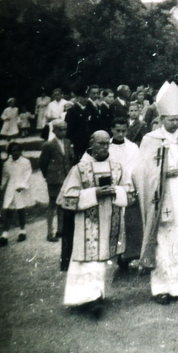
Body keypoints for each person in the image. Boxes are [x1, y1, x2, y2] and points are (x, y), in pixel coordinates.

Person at [133, 82, 178, 304]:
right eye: (170, 119)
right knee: (163, 241)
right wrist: (162, 173)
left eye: (177, 119)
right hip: (161, 198)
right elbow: (140, 171)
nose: (175, 123)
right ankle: (161, 288)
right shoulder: (150, 140)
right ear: (161, 119)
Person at [57, 130, 131, 317]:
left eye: (107, 144)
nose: (104, 147)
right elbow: (68, 198)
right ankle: (88, 298)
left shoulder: (117, 167)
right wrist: (94, 193)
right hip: (87, 221)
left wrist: (115, 191)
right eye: (100, 143)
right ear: (91, 143)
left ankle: (96, 295)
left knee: (101, 260)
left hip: (109, 218)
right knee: (88, 262)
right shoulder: (80, 168)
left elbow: (129, 192)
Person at [108, 117, 141, 269]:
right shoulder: (106, 148)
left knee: (129, 224)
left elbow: (137, 169)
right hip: (111, 191)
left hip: (128, 190)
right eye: (117, 131)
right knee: (113, 225)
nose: (120, 134)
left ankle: (128, 255)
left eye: (123, 131)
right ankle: (115, 254)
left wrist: (135, 189)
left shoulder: (133, 148)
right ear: (112, 130)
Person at [39, 121, 75, 242]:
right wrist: (48, 176)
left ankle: (61, 229)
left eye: (65, 130)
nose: (63, 132)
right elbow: (42, 163)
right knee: (53, 204)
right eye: (60, 130)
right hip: (54, 179)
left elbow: (71, 159)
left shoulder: (68, 142)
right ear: (54, 131)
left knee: (62, 204)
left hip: (66, 178)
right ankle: (50, 232)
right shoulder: (49, 145)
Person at [0, 142, 34, 246]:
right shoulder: (7, 163)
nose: (15, 152)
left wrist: (22, 185)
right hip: (11, 189)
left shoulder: (25, 162)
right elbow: (5, 176)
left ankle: (22, 231)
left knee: (21, 210)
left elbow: (28, 174)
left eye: (17, 150)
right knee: (8, 210)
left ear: (21, 151)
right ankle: (5, 235)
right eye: (13, 150)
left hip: (21, 188)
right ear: (10, 152)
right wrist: (1, 186)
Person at [65, 88, 93, 162]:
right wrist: (70, 143)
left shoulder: (90, 109)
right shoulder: (72, 111)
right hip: (77, 142)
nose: (85, 99)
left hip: (88, 141)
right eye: (83, 97)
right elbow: (69, 128)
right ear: (78, 98)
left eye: (86, 97)